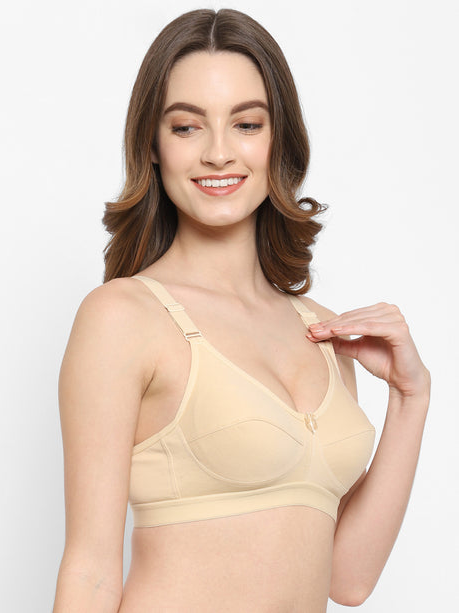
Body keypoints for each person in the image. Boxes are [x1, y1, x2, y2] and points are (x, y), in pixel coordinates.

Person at [53, 8, 430, 613]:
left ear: (279, 140)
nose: (218, 153)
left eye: (247, 124)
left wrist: (411, 399)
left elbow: (348, 578)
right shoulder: (122, 316)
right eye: (187, 127)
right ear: (153, 146)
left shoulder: (322, 331)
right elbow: (91, 569)